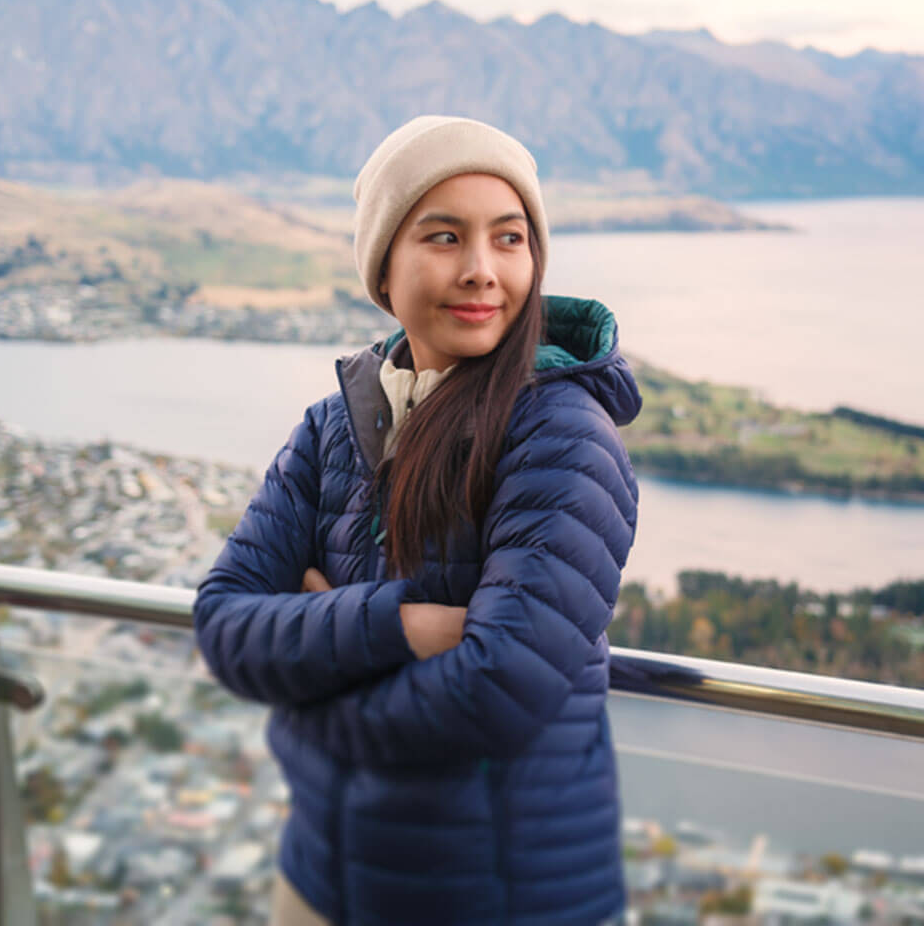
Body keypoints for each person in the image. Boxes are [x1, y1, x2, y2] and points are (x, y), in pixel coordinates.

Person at [194, 114, 642, 926]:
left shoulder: (559, 436)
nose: (482, 270)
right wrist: (397, 625)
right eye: (444, 237)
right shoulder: (334, 428)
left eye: (509, 239)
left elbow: (499, 690)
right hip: (321, 880)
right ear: (384, 270)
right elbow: (224, 623)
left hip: (492, 899)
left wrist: (309, 686)